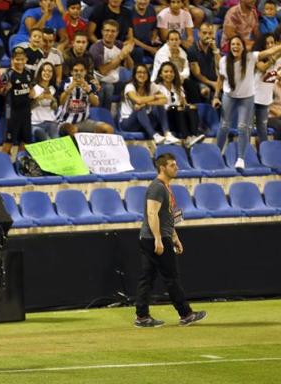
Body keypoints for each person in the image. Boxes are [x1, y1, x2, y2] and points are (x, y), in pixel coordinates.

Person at [134, 153, 207, 328]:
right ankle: (186, 314)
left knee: (148, 278)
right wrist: (159, 239)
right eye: (172, 165)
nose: (177, 168)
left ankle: (142, 316)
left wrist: (175, 237)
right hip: (154, 238)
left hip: (154, 237)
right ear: (162, 168)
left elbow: (167, 216)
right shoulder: (157, 187)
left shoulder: (165, 187)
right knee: (171, 277)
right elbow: (152, 214)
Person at [213, 36, 281, 169]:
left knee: (243, 127)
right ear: (230, 46)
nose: (235, 47)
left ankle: (240, 159)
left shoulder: (250, 57)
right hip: (229, 95)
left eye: (238, 44)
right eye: (233, 44)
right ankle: (217, 154)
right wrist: (216, 96)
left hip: (247, 97)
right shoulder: (224, 60)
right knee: (224, 125)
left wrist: (279, 47)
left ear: (243, 47)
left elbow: (267, 53)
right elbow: (220, 79)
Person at [119, 64, 174, 145]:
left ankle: (167, 134)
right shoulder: (129, 86)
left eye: (145, 73)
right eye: (139, 72)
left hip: (144, 122)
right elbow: (138, 100)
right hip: (128, 123)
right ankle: (154, 135)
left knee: (158, 106)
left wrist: (147, 103)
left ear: (148, 75)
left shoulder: (151, 85)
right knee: (139, 108)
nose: (142, 75)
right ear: (134, 75)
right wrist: (155, 96)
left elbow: (165, 100)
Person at [58, 58, 114, 136]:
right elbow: (60, 102)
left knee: (108, 129)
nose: (79, 73)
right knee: (72, 130)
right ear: (71, 72)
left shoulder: (90, 85)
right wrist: (70, 88)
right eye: (76, 71)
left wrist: (88, 91)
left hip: (83, 121)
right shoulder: (65, 83)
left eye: (81, 70)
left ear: (85, 72)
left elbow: (96, 103)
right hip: (65, 121)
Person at [155, 61, 205, 147]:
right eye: (166, 72)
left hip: (179, 114)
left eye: (171, 72)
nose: (169, 74)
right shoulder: (156, 87)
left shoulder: (178, 87)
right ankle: (185, 137)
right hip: (166, 118)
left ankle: (192, 136)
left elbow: (184, 103)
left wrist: (187, 105)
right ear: (160, 74)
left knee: (192, 107)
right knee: (175, 108)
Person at [89, 19, 134, 109]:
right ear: (102, 32)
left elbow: (130, 67)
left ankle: (124, 115)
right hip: (98, 81)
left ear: (117, 33)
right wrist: (121, 56)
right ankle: (104, 114)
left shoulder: (119, 45)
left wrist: (127, 53)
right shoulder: (96, 48)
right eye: (107, 30)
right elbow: (103, 71)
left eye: (113, 31)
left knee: (132, 86)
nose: (110, 34)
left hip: (114, 81)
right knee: (109, 87)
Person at [2, 47, 35, 153]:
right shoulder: (8, 74)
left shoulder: (28, 73)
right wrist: (6, 89)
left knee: (25, 141)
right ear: (12, 59)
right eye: (17, 59)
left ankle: (19, 164)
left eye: (22, 59)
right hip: (12, 113)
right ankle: (3, 166)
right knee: (9, 142)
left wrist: (32, 91)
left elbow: (30, 87)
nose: (20, 62)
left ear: (26, 59)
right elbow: (1, 93)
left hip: (26, 112)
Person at [253, 33, 281, 147]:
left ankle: (266, 153)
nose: (270, 45)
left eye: (272, 43)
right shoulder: (256, 58)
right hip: (254, 102)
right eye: (267, 43)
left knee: (264, 132)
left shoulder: (277, 62)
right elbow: (263, 68)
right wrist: (273, 58)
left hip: (266, 101)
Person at [187, 22, 220, 103]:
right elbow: (197, 74)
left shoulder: (213, 47)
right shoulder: (192, 50)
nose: (207, 36)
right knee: (205, 91)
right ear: (199, 34)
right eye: (204, 33)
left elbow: (220, 66)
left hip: (214, 80)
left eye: (210, 33)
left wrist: (215, 50)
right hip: (198, 82)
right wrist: (212, 84)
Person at [31, 62, 60, 141]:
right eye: (44, 70)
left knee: (57, 140)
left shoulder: (54, 88)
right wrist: (40, 98)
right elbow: (28, 107)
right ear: (40, 72)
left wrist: (53, 99)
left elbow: (55, 108)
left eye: (50, 71)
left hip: (50, 121)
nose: (47, 73)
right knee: (45, 138)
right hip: (35, 123)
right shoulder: (33, 87)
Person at [131, 0, 158, 65]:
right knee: (138, 51)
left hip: (148, 43)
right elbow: (131, 38)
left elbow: (154, 29)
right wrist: (150, 49)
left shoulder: (151, 9)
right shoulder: (129, 12)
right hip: (135, 45)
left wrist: (153, 40)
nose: (143, 2)